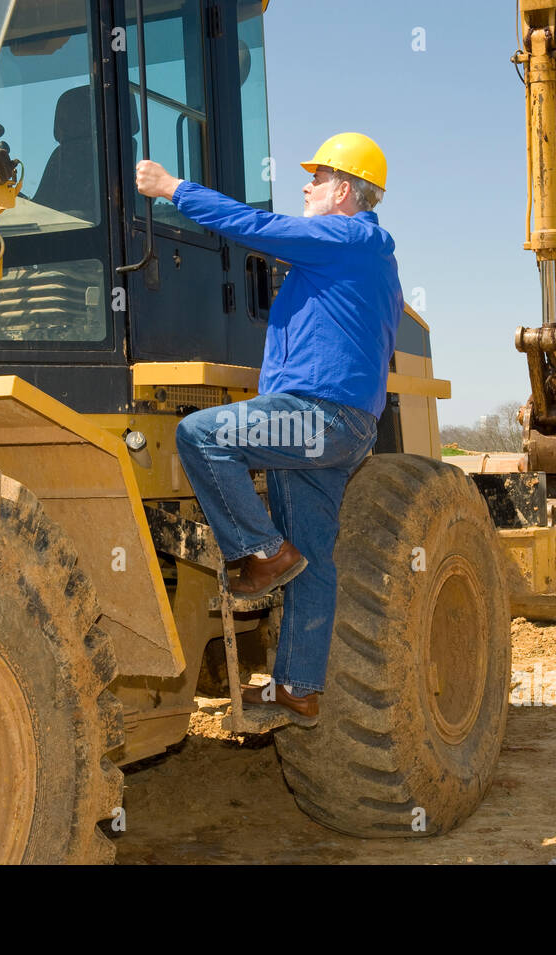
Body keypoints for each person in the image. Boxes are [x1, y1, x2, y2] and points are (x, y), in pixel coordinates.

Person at [135, 132, 403, 726]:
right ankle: (297, 689)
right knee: (314, 558)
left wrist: (172, 188)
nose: (305, 185)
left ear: (344, 190)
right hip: (344, 426)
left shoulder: (344, 236)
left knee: (203, 436)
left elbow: (255, 228)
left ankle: (260, 552)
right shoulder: (366, 257)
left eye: (317, 177)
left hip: (318, 416)